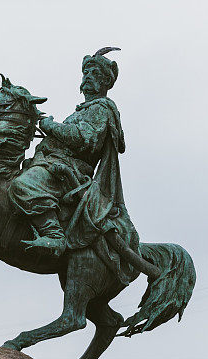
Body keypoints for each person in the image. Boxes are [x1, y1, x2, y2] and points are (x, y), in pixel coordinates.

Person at [8, 47, 128, 260]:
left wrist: (50, 126)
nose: (88, 77)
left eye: (95, 74)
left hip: (67, 171)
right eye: (86, 73)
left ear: (105, 82)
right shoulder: (82, 110)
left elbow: (84, 139)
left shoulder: (102, 108)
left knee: (22, 185)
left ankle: (54, 236)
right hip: (49, 163)